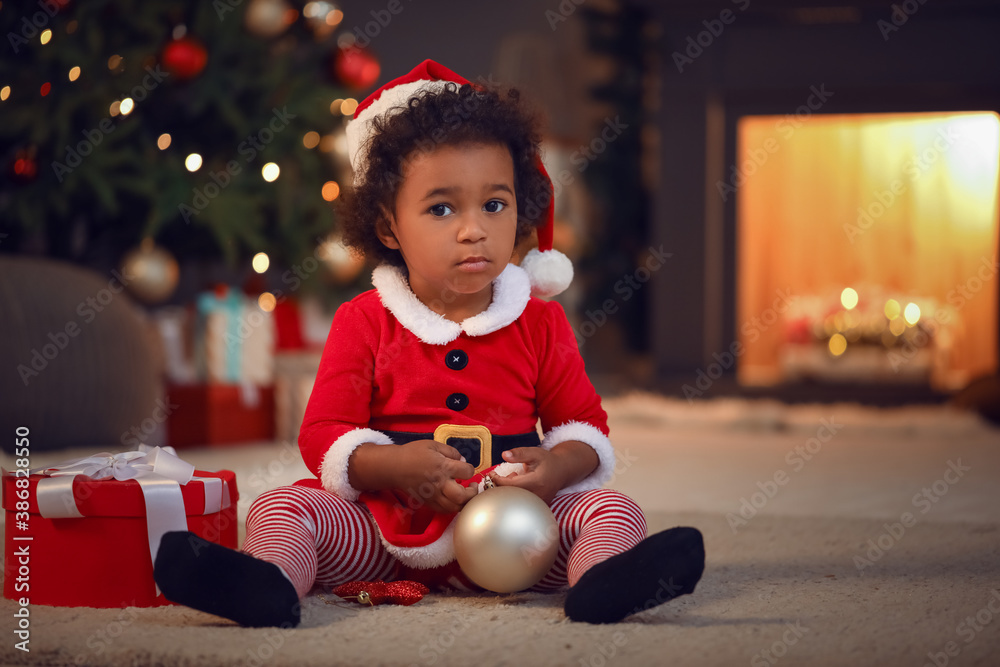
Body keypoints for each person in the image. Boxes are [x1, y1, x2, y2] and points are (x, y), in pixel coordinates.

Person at [154, 59, 704, 628]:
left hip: (517, 537)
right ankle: (263, 583)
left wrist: (558, 468)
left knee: (610, 508)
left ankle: (602, 583)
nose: (474, 229)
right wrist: (391, 466)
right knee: (284, 507)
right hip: (382, 537)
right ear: (389, 226)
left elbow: (585, 429)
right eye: (441, 208)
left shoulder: (540, 322)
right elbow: (323, 436)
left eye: (495, 204)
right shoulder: (364, 320)